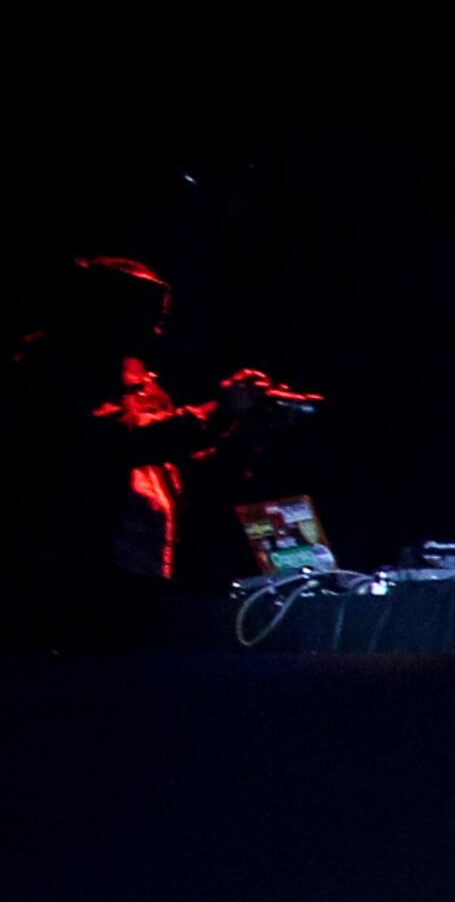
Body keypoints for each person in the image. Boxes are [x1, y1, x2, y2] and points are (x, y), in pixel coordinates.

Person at [3, 255, 299, 649]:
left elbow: (192, 477)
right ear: (103, 312)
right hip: (69, 574)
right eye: (146, 315)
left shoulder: (143, 386)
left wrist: (244, 430)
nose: (157, 330)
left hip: (138, 575)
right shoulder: (49, 372)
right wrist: (219, 410)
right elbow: (115, 441)